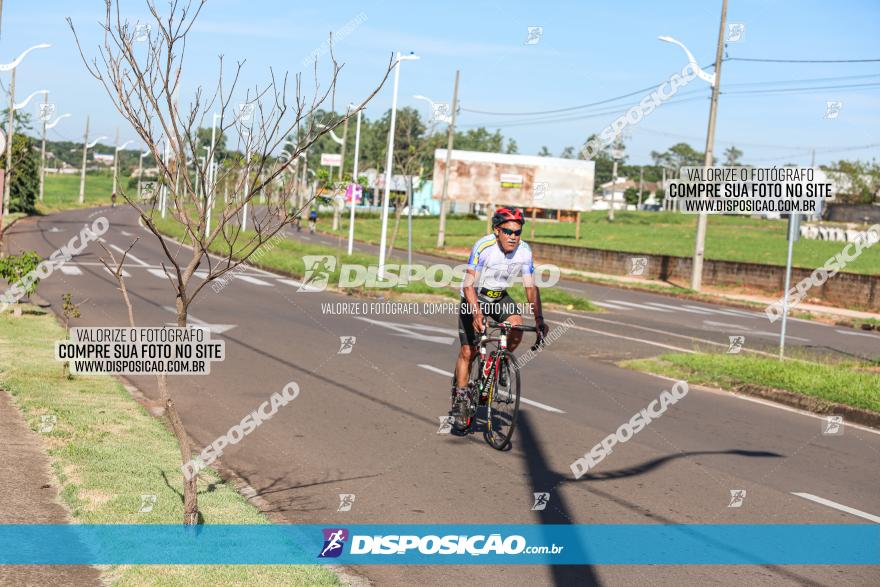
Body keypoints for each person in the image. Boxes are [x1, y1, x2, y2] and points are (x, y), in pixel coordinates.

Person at [452, 207, 549, 414]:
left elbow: (530, 287)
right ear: (497, 230)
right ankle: (461, 398)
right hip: (475, 296)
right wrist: (477, 314)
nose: (513, 237)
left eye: (517, 232)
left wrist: (539, 319)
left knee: (517, 325)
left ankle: (502, 360)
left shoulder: (524, 251)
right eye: (508, 232)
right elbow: (469, 284)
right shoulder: (484, 246)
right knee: (469, 351)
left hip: (498, 296)